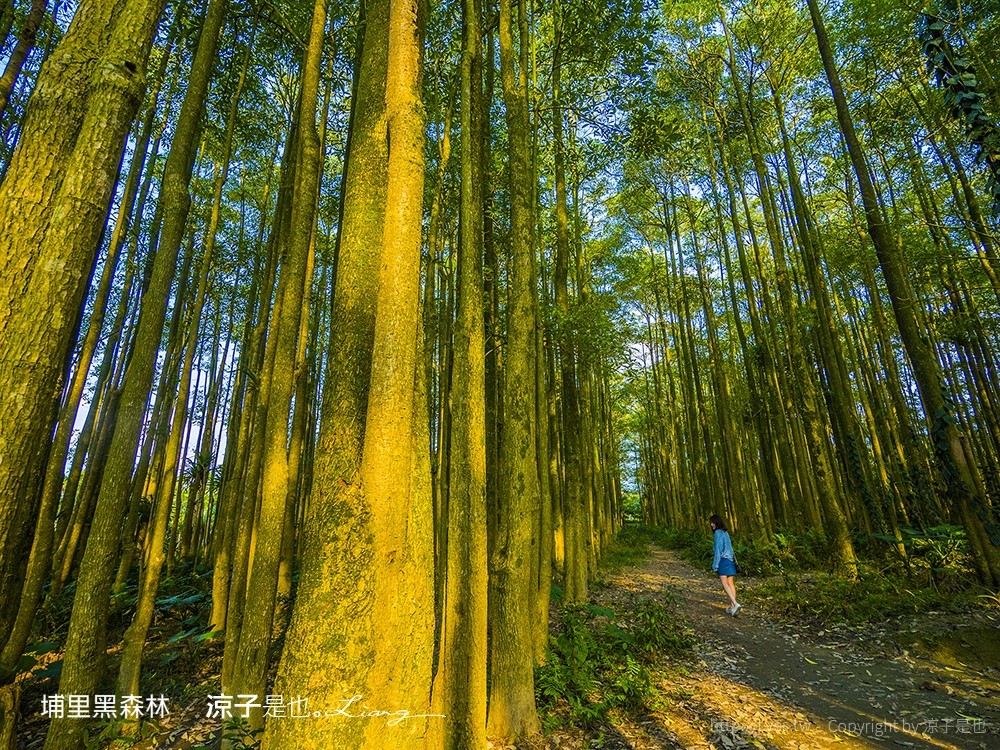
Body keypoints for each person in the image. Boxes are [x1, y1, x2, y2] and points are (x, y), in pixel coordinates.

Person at [710, 513, 741, 615]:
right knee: (731, 583)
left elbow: (718, 550)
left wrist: (715, 565)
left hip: (723, 560)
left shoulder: (717, 534)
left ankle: (735, 603)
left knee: (725, 584)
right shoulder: (725, 533)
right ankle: (733, 607)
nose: (711, 525)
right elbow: (730, 548)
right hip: (730, 560)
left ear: (716, 523)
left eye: (712, 522)